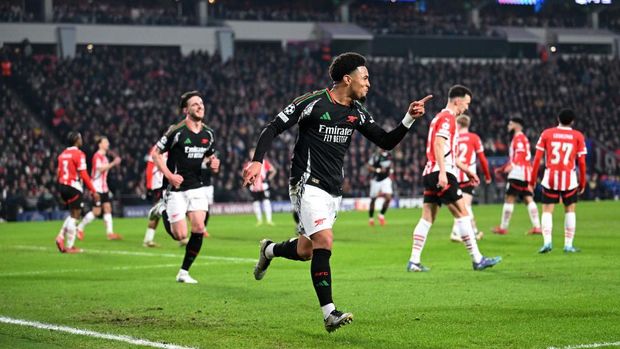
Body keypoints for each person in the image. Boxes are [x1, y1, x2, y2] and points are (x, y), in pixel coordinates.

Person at [243, 52, 432, 332]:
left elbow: (386, 141)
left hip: (333, 190)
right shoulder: (312, 103)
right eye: (365, 77)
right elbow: (273, 127)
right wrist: (258, 160)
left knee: (308, 249)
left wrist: (408, 118)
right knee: (325, 240)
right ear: (348, 79)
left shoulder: (356, 112)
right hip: (306, 183)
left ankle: (269, 250)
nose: (369, 83)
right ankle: (329, 313)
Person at [406, 85, 501, 272]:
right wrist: (443, 173)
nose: (466, 108)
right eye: (466, 103)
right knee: (463, 213)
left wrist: (467, 170)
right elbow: (439, 144)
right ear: (457, 101)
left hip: (431, 172)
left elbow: (449, 152)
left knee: (427, 217)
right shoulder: (448, 118)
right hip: (442, 173)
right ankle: (477, 259)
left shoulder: (440, 118)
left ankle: (414, 261)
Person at [152, 90, 219, 283]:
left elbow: (209, 157)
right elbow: (156, 154)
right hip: (175, 189)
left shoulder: (209, 133)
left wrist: (213, 164)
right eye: (195, 104)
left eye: (201, 103)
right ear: (186, 110)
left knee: (198, 227)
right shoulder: (176, 131)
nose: (200, 106)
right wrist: (170, 176)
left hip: (196, 186)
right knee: (179, 235)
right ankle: (162, 208)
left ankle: (184, 272)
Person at [529, 109, 587, 253]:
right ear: (572, 121)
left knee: (547, 211)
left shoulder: (547, 133)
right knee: (570, 210)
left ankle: (547, 242)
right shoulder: (578, 136)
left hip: (550, 178)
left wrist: (532, 180)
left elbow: (537, 159)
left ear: (557, 118)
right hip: (570, 179)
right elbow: (582, 162)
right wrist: (583, 181)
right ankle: (568, 245)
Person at [492, 118, 542, 235]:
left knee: (509, 198)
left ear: (517, 125)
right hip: (526, 173)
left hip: (518, 172)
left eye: (510, 124)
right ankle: (537, 227)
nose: (508, 126)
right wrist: (503, 168)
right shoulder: (523, 138)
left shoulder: (518, 138)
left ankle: (503, 228)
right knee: (528, 198)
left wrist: (512, 166)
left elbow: (519, 154)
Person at [54, 131, 100, 253]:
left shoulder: (62, 154)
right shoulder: (79, 154)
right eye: (80, 138)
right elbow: (84, 174)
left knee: (72, 214)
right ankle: (69, 246)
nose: (82, 140)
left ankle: (60, 237)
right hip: (73, 186)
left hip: (62, 185)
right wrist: (93, 191)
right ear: (76, 140)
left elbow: (58, 173)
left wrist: (59, 189)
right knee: (76, 216)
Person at [449, 114, 491, 242]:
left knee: (463, 205)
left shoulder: (453, 138)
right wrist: (487, 176)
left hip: (454, 175)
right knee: (465, 205)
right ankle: (456, 232)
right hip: (468, 176)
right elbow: (483, 159)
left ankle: (474, 231)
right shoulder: (474, 138)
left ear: (459, 125)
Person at [76, 136, 122, 241]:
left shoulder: (105, 157)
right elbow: (100, 169)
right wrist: (113, 163)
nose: (108, 144)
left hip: (104, 188)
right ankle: (80, 228)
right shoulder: (97, 156)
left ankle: (110, 233)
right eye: (106, 142)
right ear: (100, 144)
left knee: (107, 208)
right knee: (96, 212)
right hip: (96, 187)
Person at [143, 141, 168, 248]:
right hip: (158, 183)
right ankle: (182, 238)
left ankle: (148, 240)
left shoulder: (169, 148)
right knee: (160, 210)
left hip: (166, 182)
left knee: (160, 212)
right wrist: (148, 187)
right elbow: (149, 168)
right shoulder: (157, 148)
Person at [245, 148, 276, 226]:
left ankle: (269, 220)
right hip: (254, 187)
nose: (252, 155)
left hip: (263, 186)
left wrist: (268, 179)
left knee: (266, 202)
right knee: (256, 203)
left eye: (253, 153)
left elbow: (273, 170)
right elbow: (244, 174)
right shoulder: (248, 164)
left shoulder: (264, 162)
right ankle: (259, 220)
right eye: (250, 154)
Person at [367, 149, 394, 227]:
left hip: (385, 179)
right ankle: (371, 218)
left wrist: (391, 170)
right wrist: (377, 170)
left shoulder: (389, 155)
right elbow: (368, 167)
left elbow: (390, 164)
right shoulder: (375, 156)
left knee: (388, 198)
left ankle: (381, 215)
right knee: (373, 199)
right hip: (376, 180)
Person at [201, 153, 220, 237]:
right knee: (201, 209)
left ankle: (203, 228)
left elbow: (216, 173)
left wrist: (215, 167)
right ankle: (201, 229)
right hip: (198, 187)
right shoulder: (197, 159)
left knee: (207, 210)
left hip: (208, 188)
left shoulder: (210, 161)